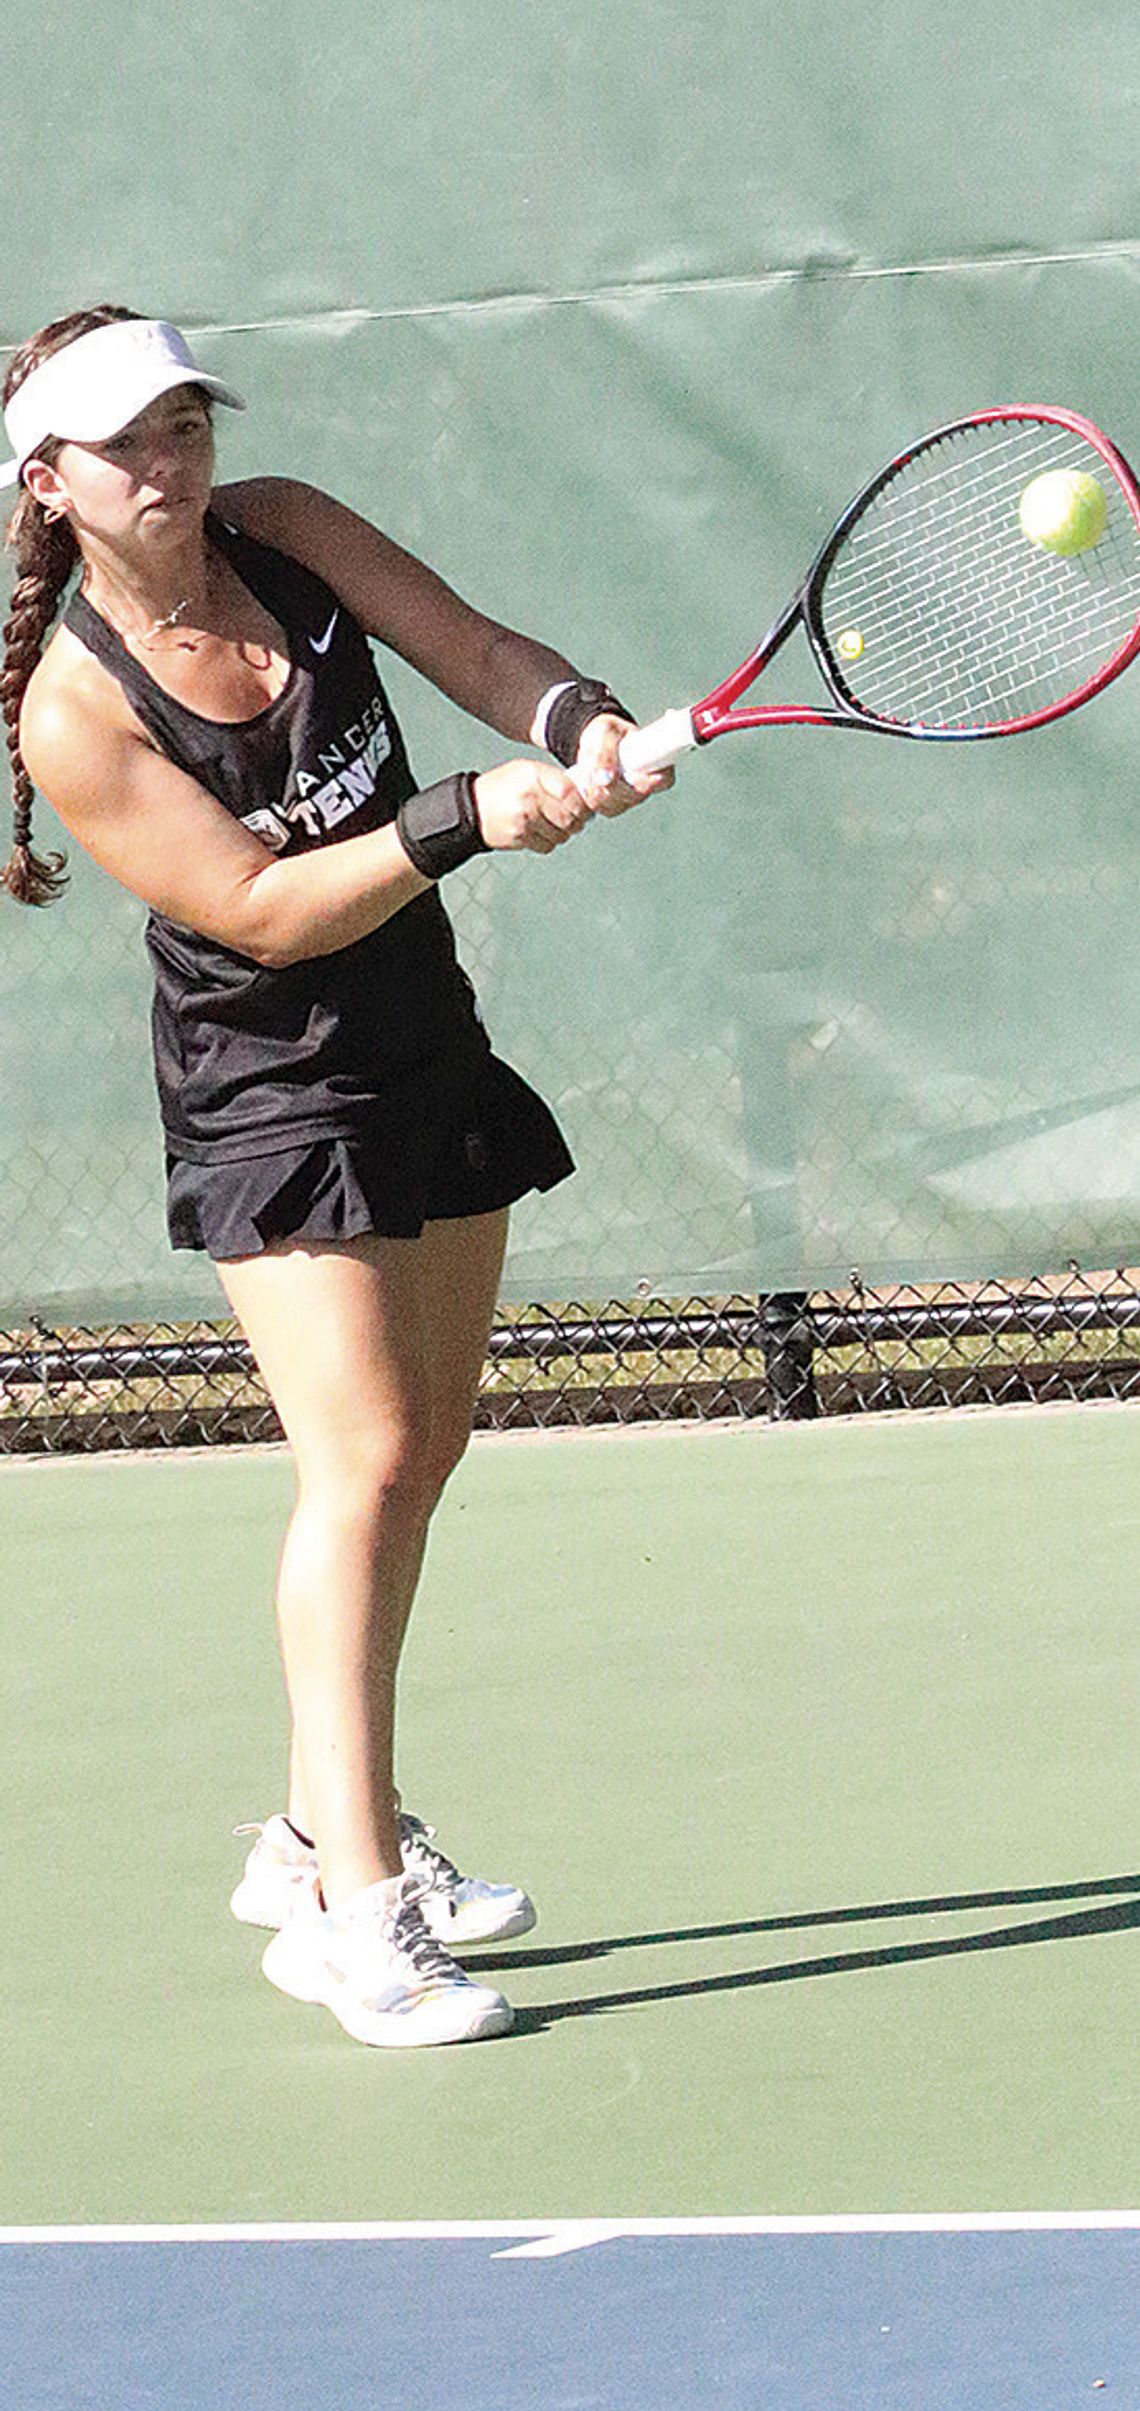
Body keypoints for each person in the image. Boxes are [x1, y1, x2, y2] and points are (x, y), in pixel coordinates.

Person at [1, 304, 671, 2049]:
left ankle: (312, 1838)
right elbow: (256, 907)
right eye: (129, 442)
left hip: (418, 1036)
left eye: (185, 423)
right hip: (265, 1087)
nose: (173, 461)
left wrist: (574, 720)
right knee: (360, 1458)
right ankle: (362, 1916)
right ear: (49, 480)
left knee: (425, 1449)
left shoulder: (283, 529)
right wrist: (470, 816)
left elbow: (468, 642)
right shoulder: (75, 714)